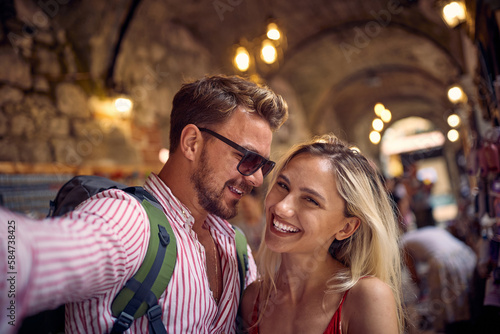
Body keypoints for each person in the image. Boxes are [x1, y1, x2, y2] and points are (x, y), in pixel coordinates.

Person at [0, 74, 288, 333]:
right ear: (191, 143)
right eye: (248, 159)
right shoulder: (128, 220)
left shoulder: (234, 247)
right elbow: (22, 257)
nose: (258, 180)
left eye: (264, 164)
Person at [239, 134, 404, 334]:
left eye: (310, 200)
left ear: (346, 228)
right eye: (282, 185)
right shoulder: (252, 299)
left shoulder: (366, 297)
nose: (281, 207)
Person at [401, 225, 477, 333]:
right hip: (465, 255)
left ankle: (454, 327)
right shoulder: (420, 233)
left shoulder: (403, 243)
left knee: (445, 305)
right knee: (465, 298)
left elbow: (414, 276)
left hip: (444, 262)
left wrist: (420, 291)